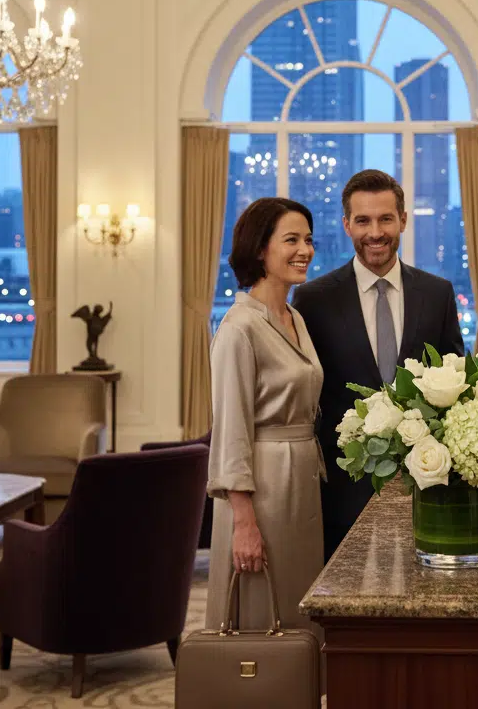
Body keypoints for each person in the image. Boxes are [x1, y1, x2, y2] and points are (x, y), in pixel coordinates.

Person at [293, 169, 466, 561]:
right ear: (346, 225)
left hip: (423, 480)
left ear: (403, 220)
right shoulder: (312, 300)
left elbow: (456, 381)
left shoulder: (437, 294)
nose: (375, 231)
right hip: (340, 487)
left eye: (385, 218)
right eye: (363, 220)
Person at [205, 198, 324, 638]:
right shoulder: (238, 327)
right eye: (291, 240)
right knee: (258, 610)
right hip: (262, 490)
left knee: (297, 606)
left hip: (302, 482)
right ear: (260, 250)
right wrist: (244, 522)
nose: (304, 250)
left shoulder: (294, 317)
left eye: (308, 239)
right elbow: (231, 430)